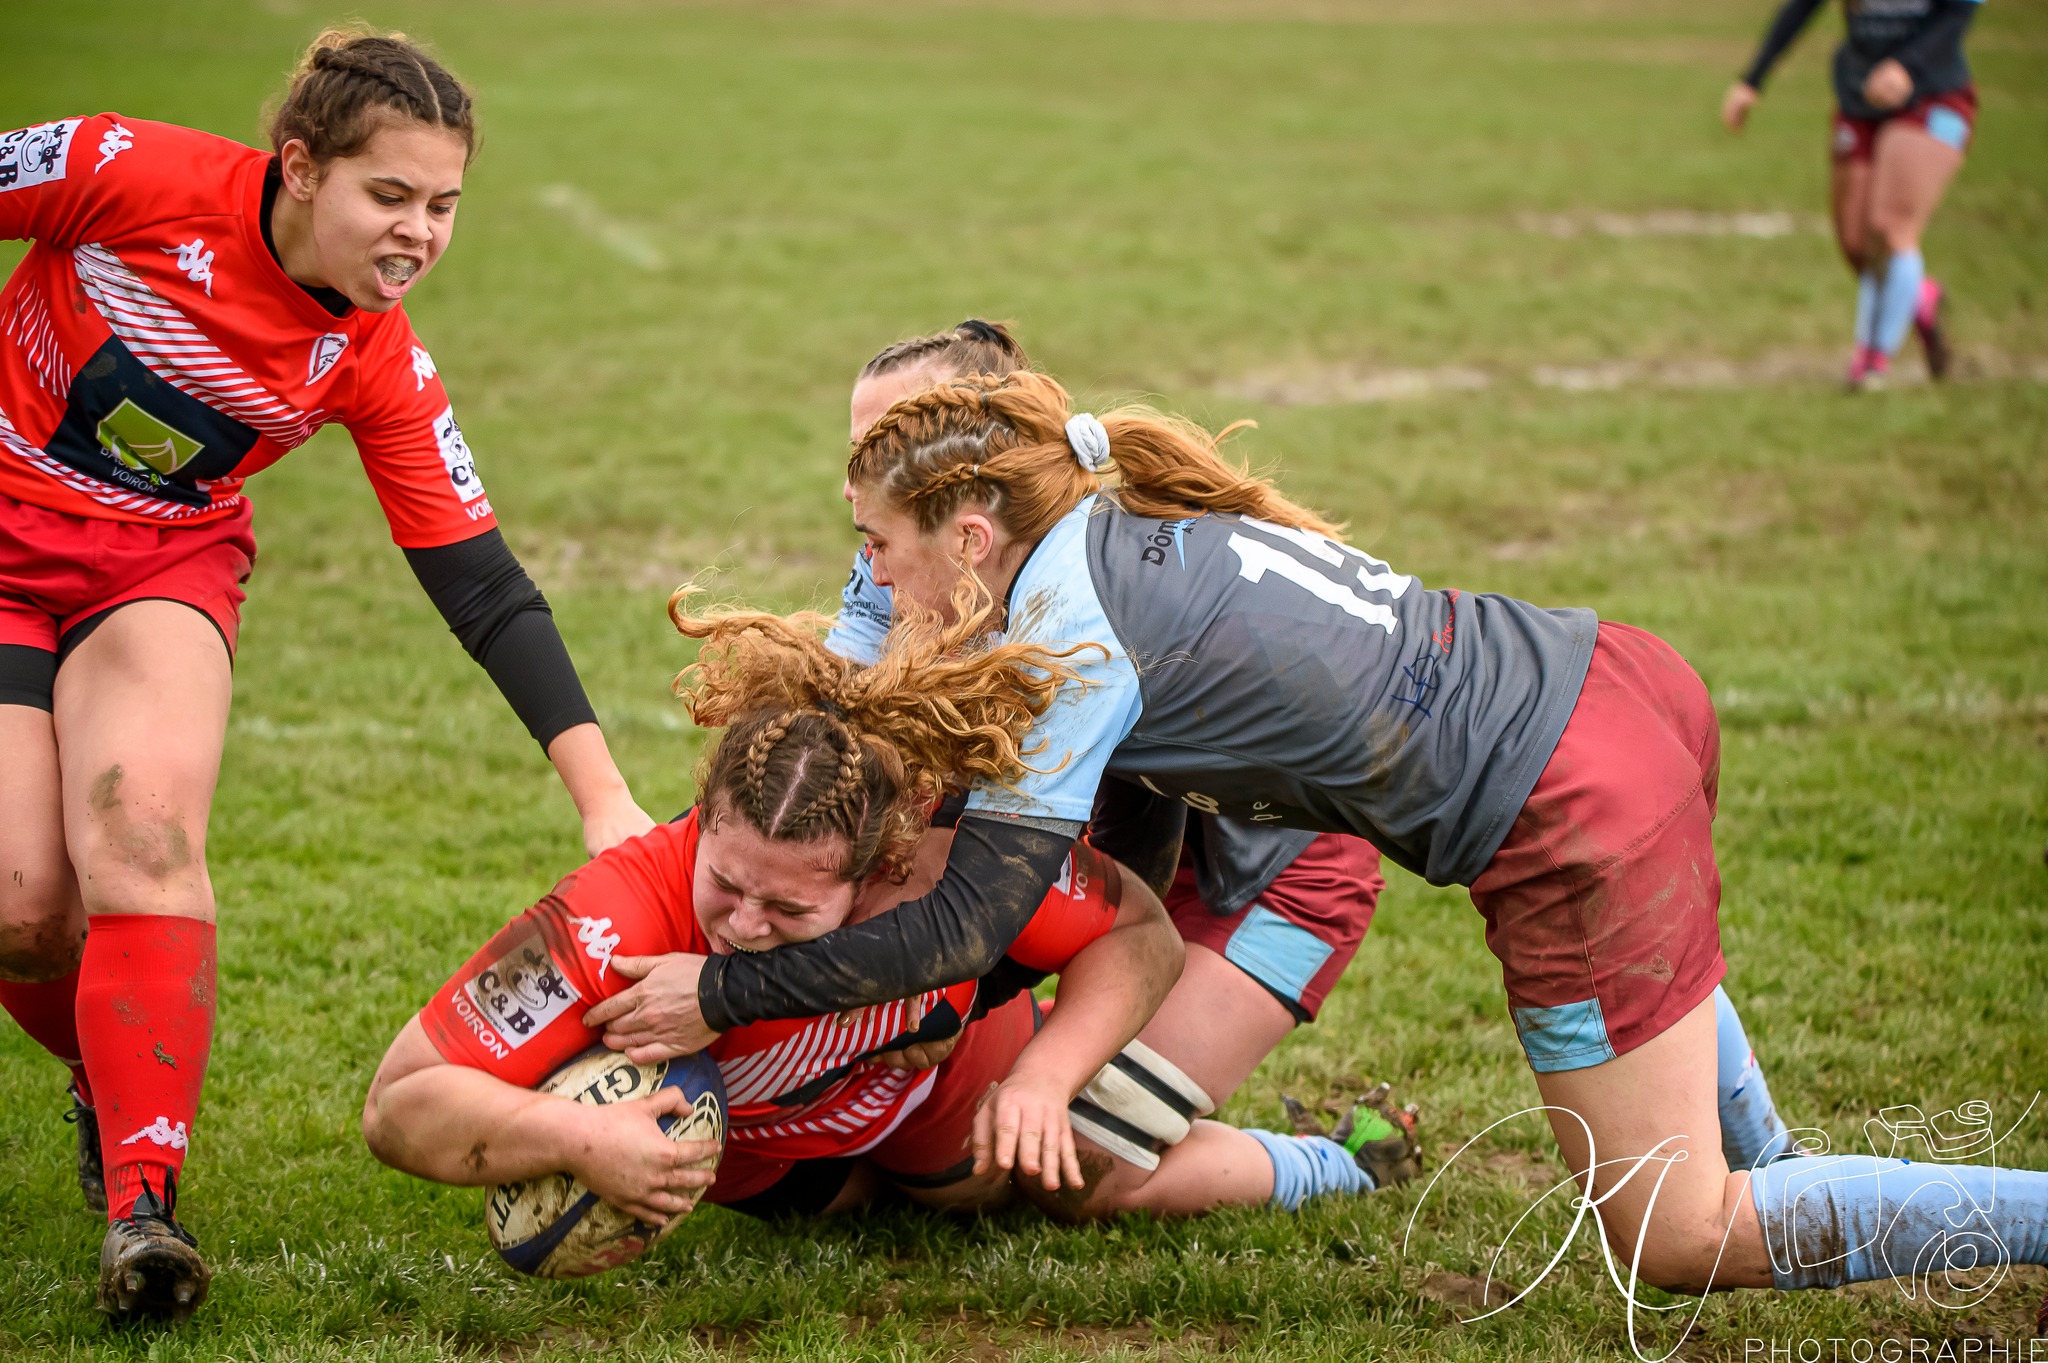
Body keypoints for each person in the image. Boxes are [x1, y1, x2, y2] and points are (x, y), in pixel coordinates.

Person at [615, 368, 2043, 1296]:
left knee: (1677, 1234)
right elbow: (913, 655)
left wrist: (724, 987)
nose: (862, 573)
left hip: (1569, 806)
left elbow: (971, 921)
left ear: (971, 535)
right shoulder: (1101, 520)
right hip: (1613, 674)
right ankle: (1782, 1159)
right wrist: (867, 606)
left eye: (875, 544)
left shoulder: (1068, 640)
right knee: (1713, 1145)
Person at [0, 29, 652, 1320]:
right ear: (300, 168)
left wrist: (605, 799)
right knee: (24, 903)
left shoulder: (374, 357)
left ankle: (146, 1203)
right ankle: (103, 1061)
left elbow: (482, 584)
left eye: (446, 205)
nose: (419, 234)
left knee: (144, 835)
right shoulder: (120, 168)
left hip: (158, 569)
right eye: (390, 197)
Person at [362, 592, 1189, 1225]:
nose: (744, 924)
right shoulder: (613, 918)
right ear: (704, 821)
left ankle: (1303, 1164)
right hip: (785, 1172)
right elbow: (400, 1103)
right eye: (724, 881)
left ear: (874, 869)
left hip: (940, 1105)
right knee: (860, 1214)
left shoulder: (944, 875)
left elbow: (1142, 932)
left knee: (1060, 1181)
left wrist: (1044, 1081)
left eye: (790, 904)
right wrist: (579, 1138)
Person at [819, 322, 1406, 1213]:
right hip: (1090, 863)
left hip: (1272, 878)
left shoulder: (1079, 591)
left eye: (896, 432)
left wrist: (950, 993)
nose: (873, 461)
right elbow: (836, 743)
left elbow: (1139, 857)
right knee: (963, 1145)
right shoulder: (905, 551)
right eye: (865, 441)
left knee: (1079, 1167)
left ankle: (1342, 1158)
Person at [1721, 0, 1985, 390]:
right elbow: (1800, 8)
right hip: (1858, 96)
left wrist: (1907, 66)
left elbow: (1959, 12)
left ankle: (1872, 361)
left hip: (1933, 94)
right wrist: (1753, 80)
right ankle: (1919, 296)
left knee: (1891, 227)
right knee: (1857, 244)